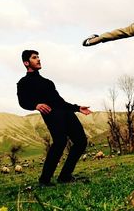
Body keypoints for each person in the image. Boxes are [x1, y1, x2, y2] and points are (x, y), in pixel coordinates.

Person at [17, 50, 92, 187]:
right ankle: (44, 180)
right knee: (60, 142)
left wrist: (77, 108)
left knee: (81, 141)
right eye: (34, 58)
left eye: (38, 57)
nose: (39, 60)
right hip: (52, 115)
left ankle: (65, 176)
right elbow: (22, 102)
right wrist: (36, 105)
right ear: (26, 63)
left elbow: (60, 101)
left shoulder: (48, 82)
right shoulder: (23, 82)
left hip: (67, 113)